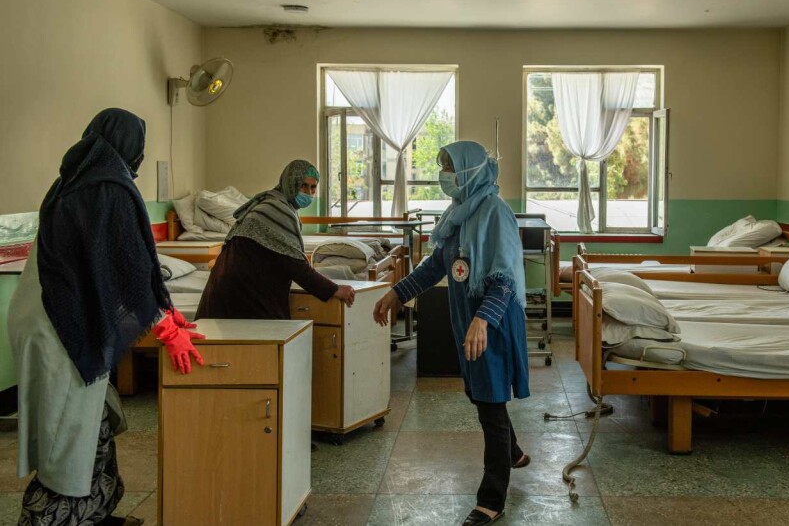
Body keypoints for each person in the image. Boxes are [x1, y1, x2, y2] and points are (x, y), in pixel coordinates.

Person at [8, 108, 204, 526]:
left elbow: (120, 260)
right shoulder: (107, 188)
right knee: (68, 435)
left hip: (47, 315)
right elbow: (124, 268)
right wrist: (166, 327)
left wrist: (166, 311)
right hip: (60, 326)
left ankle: (95, 512)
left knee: (91, 423)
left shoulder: (76, 179)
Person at [373, 141, 530, 526]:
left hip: (491, 321)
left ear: (470, 172)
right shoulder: (458, 214)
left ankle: (491, 499)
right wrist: (397, 292)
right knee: (480, 394)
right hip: (469, 319)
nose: (444, 175)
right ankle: (513, 452)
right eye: (442, 166)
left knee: (490, 403)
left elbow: (506, 277)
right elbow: (436, 266)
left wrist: (483, 320)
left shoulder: (495, 212)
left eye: (449, 168)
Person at [195, 160, 355, 320]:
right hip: (239, 299)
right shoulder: (274, 213)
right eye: (303, 186)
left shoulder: (274, 205)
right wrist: (334, 290)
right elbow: (297, 267)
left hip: (237, 294)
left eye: (313, 188)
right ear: (289, 183)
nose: (308, 193)